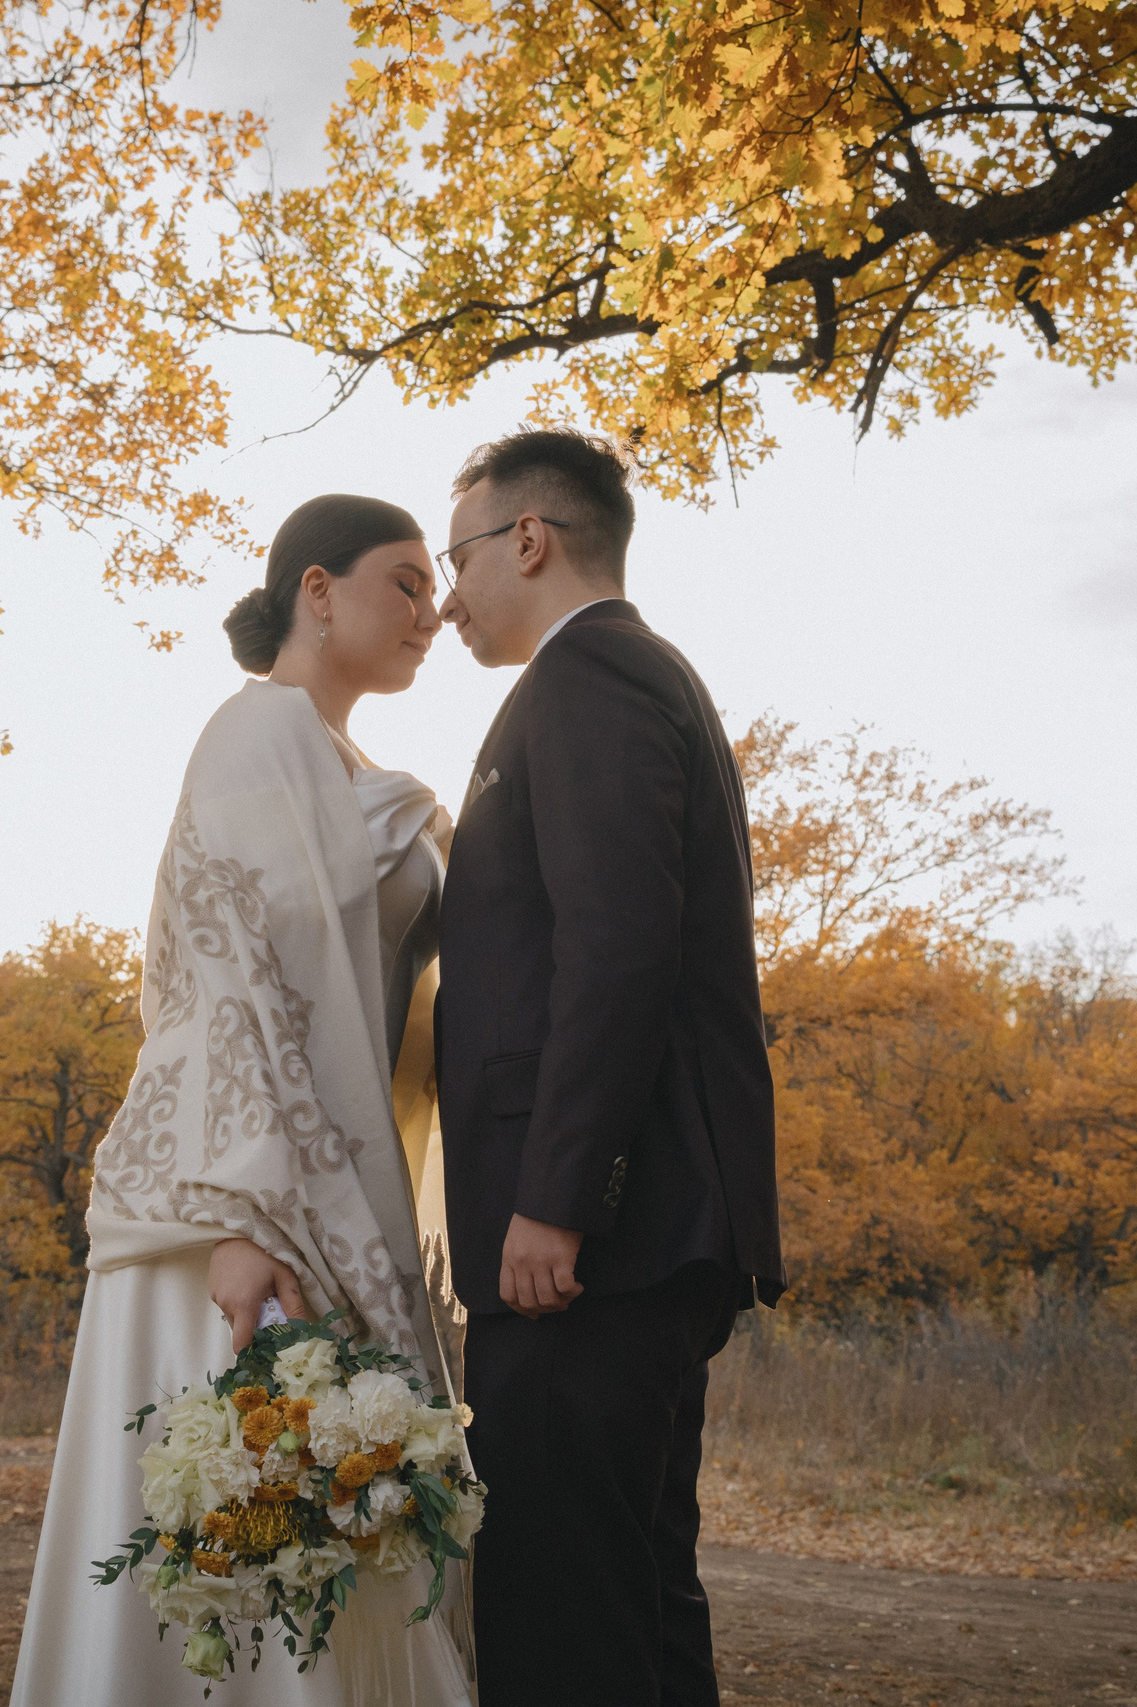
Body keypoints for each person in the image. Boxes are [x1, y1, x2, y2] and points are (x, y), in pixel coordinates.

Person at [10, 495, 474, 1707]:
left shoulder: (353, 765)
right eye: (405, 582)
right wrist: (240, 1219)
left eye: (435, 589)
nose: (430, 612)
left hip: (327, 1182)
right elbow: (225, 988)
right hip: (239, 1210)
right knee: (244, 1541)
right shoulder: (256, 730)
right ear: (316, 590)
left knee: (333, 1532)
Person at [434, 429, 786, 1707]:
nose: (449, 596)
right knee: (633, 1592)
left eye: (456, 559)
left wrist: (558, 1198)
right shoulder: (639, 674)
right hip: (639, 1235)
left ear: (527, 538)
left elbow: (618, 947)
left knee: (560, 1605)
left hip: (595, 1244)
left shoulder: (589, 677)